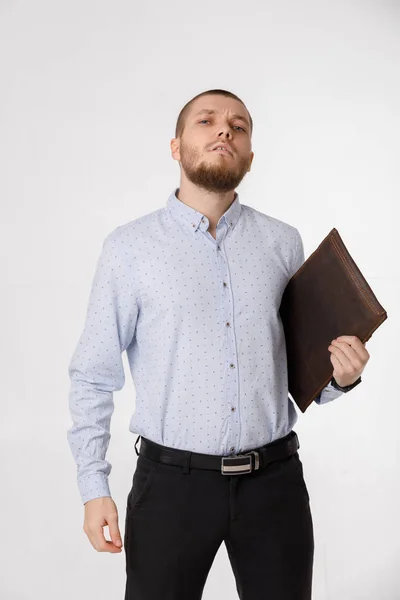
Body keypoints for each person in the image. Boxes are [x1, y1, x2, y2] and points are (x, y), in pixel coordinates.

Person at [67, 88, 368, 600]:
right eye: (206, 121)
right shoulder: (130, 248)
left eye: (239, 126)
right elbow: (93, 374)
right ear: (176, 145)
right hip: (170, 488)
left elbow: (295, 367)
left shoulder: (282, 241)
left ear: (249, 156)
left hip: (274, 483)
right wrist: (94, 488)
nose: (224, 130)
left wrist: (340, 379)